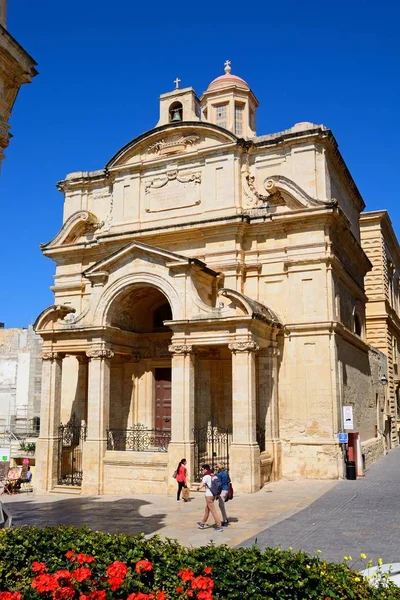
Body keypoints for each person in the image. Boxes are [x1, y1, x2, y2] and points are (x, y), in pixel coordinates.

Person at [197, 464, 223, 532]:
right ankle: (202, 523)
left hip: (208, 496)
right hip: (213, 495)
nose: (202, 471)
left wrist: (198, 488)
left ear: (205, 469)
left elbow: (201, 485)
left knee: (213, 510)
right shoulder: (212, 475)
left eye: (202, 469)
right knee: (207, 510)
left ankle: (219, 525)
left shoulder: (206, 476)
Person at [216, 462, 229, 526]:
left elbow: (218, 484)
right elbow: (229, 480)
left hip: (222, 491)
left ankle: (225, 520)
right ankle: (225, 518)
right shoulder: (226, 473)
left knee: (221, 506)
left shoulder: (219, 474)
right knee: (221, 505)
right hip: (226, 489)